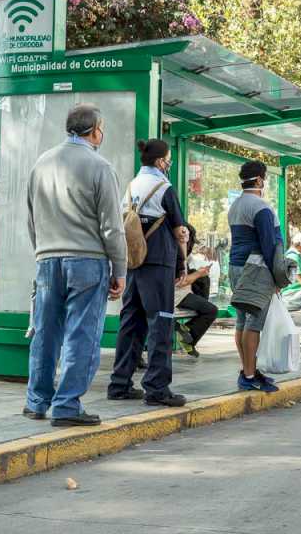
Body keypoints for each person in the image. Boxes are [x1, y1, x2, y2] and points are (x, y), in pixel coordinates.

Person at [25, 105, 127, 428]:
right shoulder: (100, 167)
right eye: (102, 128)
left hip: (47, 259)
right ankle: (67, 405)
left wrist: (42, 252)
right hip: (87, 261)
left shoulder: (42, 163)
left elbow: (32, 217)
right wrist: (120, 269)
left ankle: (37, 401)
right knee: (82, 333)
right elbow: (112, 226)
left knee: (46, 330)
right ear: (95, 130)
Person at [108, 140, 188, 407]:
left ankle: (119, 384)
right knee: (160, 322)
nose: (169, 164)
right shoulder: (164, 188)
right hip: (158, 263)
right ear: (160, 162)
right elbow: (179, 230)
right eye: (168, 160)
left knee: (130, 322)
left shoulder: (131, 187)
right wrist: (183, 263)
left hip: (134, 263)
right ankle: (157, 388)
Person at [228, 160, 282, 393]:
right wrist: (278, 278)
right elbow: (269, 244)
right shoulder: (261, 207)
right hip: (256, 268)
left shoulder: (235, 206)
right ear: (259, 180)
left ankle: (247, 370)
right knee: (254, 324)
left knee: (241, 321)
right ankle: (249, 375)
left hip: (236, 267)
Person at [174, 240, 217, 358]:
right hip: (178, 295)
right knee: (211, 310)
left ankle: (187, 333)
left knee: (204, 281)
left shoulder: (183, 255)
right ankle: (188, 334)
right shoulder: (175, 255)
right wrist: (199, 273)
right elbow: (181, 282)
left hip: (184, 292)